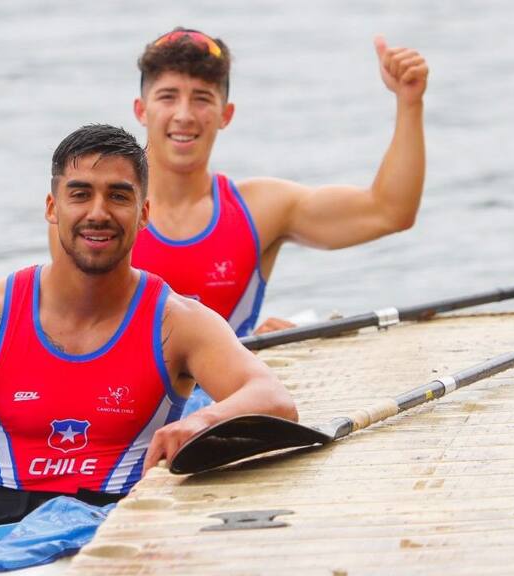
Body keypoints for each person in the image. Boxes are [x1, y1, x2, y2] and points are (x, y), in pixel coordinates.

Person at [0, 124, 297, 528]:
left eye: (118, 195)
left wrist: (204, 419)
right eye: (80, 193)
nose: (98, 212)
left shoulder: (176, 322)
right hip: (1, 537)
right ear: (52, 207)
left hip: (120, 534)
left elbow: (274, 400)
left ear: (143, 214)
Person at [129, 28, 428, 412]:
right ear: (141, 109)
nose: (184, 115)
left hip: (220, 401)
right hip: (128, 401)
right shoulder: (106, 213)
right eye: (168, 97)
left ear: (226, 114)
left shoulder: (260, 208)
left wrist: (409, 102)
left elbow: (389, 211)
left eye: (202, 99)